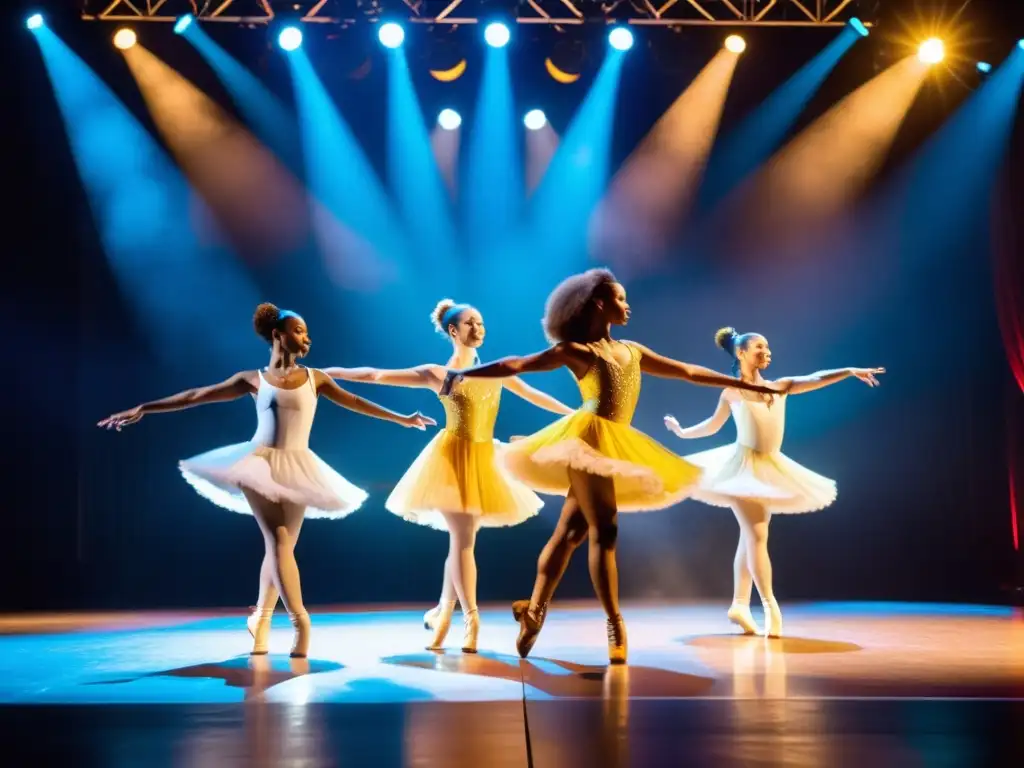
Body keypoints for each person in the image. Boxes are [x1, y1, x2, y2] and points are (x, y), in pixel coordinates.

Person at [440, 269, 782, 663]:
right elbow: (517, 364)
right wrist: (462, 373)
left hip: (616, 443)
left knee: (569, 534)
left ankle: (532, 612)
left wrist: (746, 385)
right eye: (620, 299)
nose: (627, 304)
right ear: (599, 304)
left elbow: (687, 371)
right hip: (586, 442)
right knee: (606, 528)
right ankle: (615, 624)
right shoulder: (578, 352)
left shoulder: (633, 351)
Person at [98, 302, 435, 658]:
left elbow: (353, 400)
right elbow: (197, 396)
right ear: (278, 335)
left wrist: (402, 418)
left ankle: (260, 619)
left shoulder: (315, 378)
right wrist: (145, 408)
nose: (306, 338)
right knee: (277, 541)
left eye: (306, 332)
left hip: (300, 465)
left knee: (282, 548)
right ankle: (300, 623)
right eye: (299, 331)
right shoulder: (252, 379)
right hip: (257, 464)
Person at [324, 299, 573, 653]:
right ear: (453, 331)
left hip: (486, 456)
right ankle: (471, 620)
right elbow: (374, 374)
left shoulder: (497, 369)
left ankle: (442, 614)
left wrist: (576, 414)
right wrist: (328, 372)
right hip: (452, 458)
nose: (478, 328)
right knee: (463, 541)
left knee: (462, 542)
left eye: (481, 321)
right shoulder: (437, 374)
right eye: (470, 323)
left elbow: (533, 394)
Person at [664, 327, 883, 637]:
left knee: (750, 536)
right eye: (758, 347)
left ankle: (740, 604)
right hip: (740, 469)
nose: (766, 351)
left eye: (767, 346)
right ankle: (770, 607)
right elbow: (712, 427)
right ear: (740, 353)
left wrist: (848, 371)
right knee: (756, 535)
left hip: (769, 468)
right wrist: (682, 432)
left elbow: (817, 377)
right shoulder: (732, 392)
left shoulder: (780, 387)